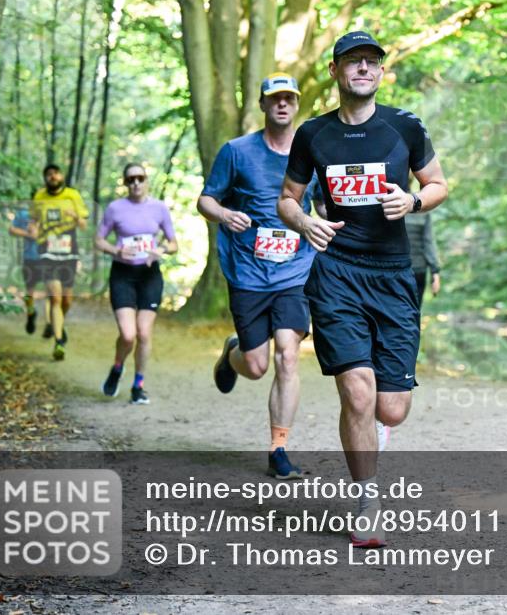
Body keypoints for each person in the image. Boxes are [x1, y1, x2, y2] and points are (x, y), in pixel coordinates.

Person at [277, 31, 448, 548]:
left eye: (373, 61)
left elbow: (437, 185)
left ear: (381, 72)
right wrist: (304, 223)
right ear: (335, 71)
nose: (365, 69)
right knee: (356, 390)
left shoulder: (405, 127)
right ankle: (367, 500)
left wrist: (414, 203)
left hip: (394, 275)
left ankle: (373, 427)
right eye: (354, 61)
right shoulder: (313, 134)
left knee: (390, 408)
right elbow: (288, 198)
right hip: (337, 274)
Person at [198, 73, 317, 479]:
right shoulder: (236, 151)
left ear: (296, 104)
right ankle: (233, 354)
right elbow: (206, 199)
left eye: (289, 98)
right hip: (248, 272)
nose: (282, 105)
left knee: (288, 354)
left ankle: (278, 449)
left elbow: (322, 206)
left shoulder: (311, 153)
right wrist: (225, 214)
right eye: (274, 99)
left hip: (294, 273)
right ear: (263, 105)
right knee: (256, 366)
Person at [94, 163, 178, 405]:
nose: (136, 183)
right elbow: (99, 240)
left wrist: (160, 250)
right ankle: (117, 367)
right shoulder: (115, 209)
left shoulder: (159, 208)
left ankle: (138, 385)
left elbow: (173, 244)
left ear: (146, 180)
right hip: (122, 274)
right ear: (125, 183)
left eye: (140, 178)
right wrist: (116, 250)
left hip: (149, 275)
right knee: (128, 335)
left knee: (143, 333)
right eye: (130, 179)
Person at [29, 163, 88, 361]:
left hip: (69, 250)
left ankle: (58, 324)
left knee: (66, 300)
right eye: (48, 174)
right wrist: (34, 229)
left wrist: (75, 217)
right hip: (47, 250)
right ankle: (59, 341)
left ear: (61, 176)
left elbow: (84, 225)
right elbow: (34, 220)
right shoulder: (39, 196)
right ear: (45, 178)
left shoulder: (73, 195)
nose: (52, 177)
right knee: (54, 298)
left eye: (55, 173)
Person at [9, 190, 49, 334]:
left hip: (47, 258)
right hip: (30, 258)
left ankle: (50, 322)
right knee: (29, 291)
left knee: (49, 290)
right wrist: (28, 234)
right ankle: (30, 314)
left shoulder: (50, 215)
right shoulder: (24, 214)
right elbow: (11, 229)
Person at [405, 210, 441, 308]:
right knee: (415, 308)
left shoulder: (393, 207)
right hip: (418, 270)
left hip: (397, 269)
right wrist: (435, 272)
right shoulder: (423, 210)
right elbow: (429, 242)